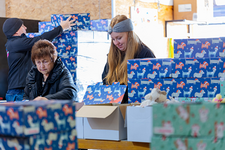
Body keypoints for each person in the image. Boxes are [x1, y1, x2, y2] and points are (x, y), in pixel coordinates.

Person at [2, 16, 75, 101]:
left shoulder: (15, 44)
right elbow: (39, 40)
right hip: (19, 91)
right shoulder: (15, 43)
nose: (25, 28)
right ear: (16, 29)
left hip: (18, 90)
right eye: (22, 26)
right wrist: (61, 28)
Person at [102, 15, 156, 103]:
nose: (116, 43)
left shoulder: (144, 54)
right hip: (115, 107)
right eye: (113, 39)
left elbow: (150, 88)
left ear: (129, 35)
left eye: (119, 38)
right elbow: (105, 80)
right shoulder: (112, 56)